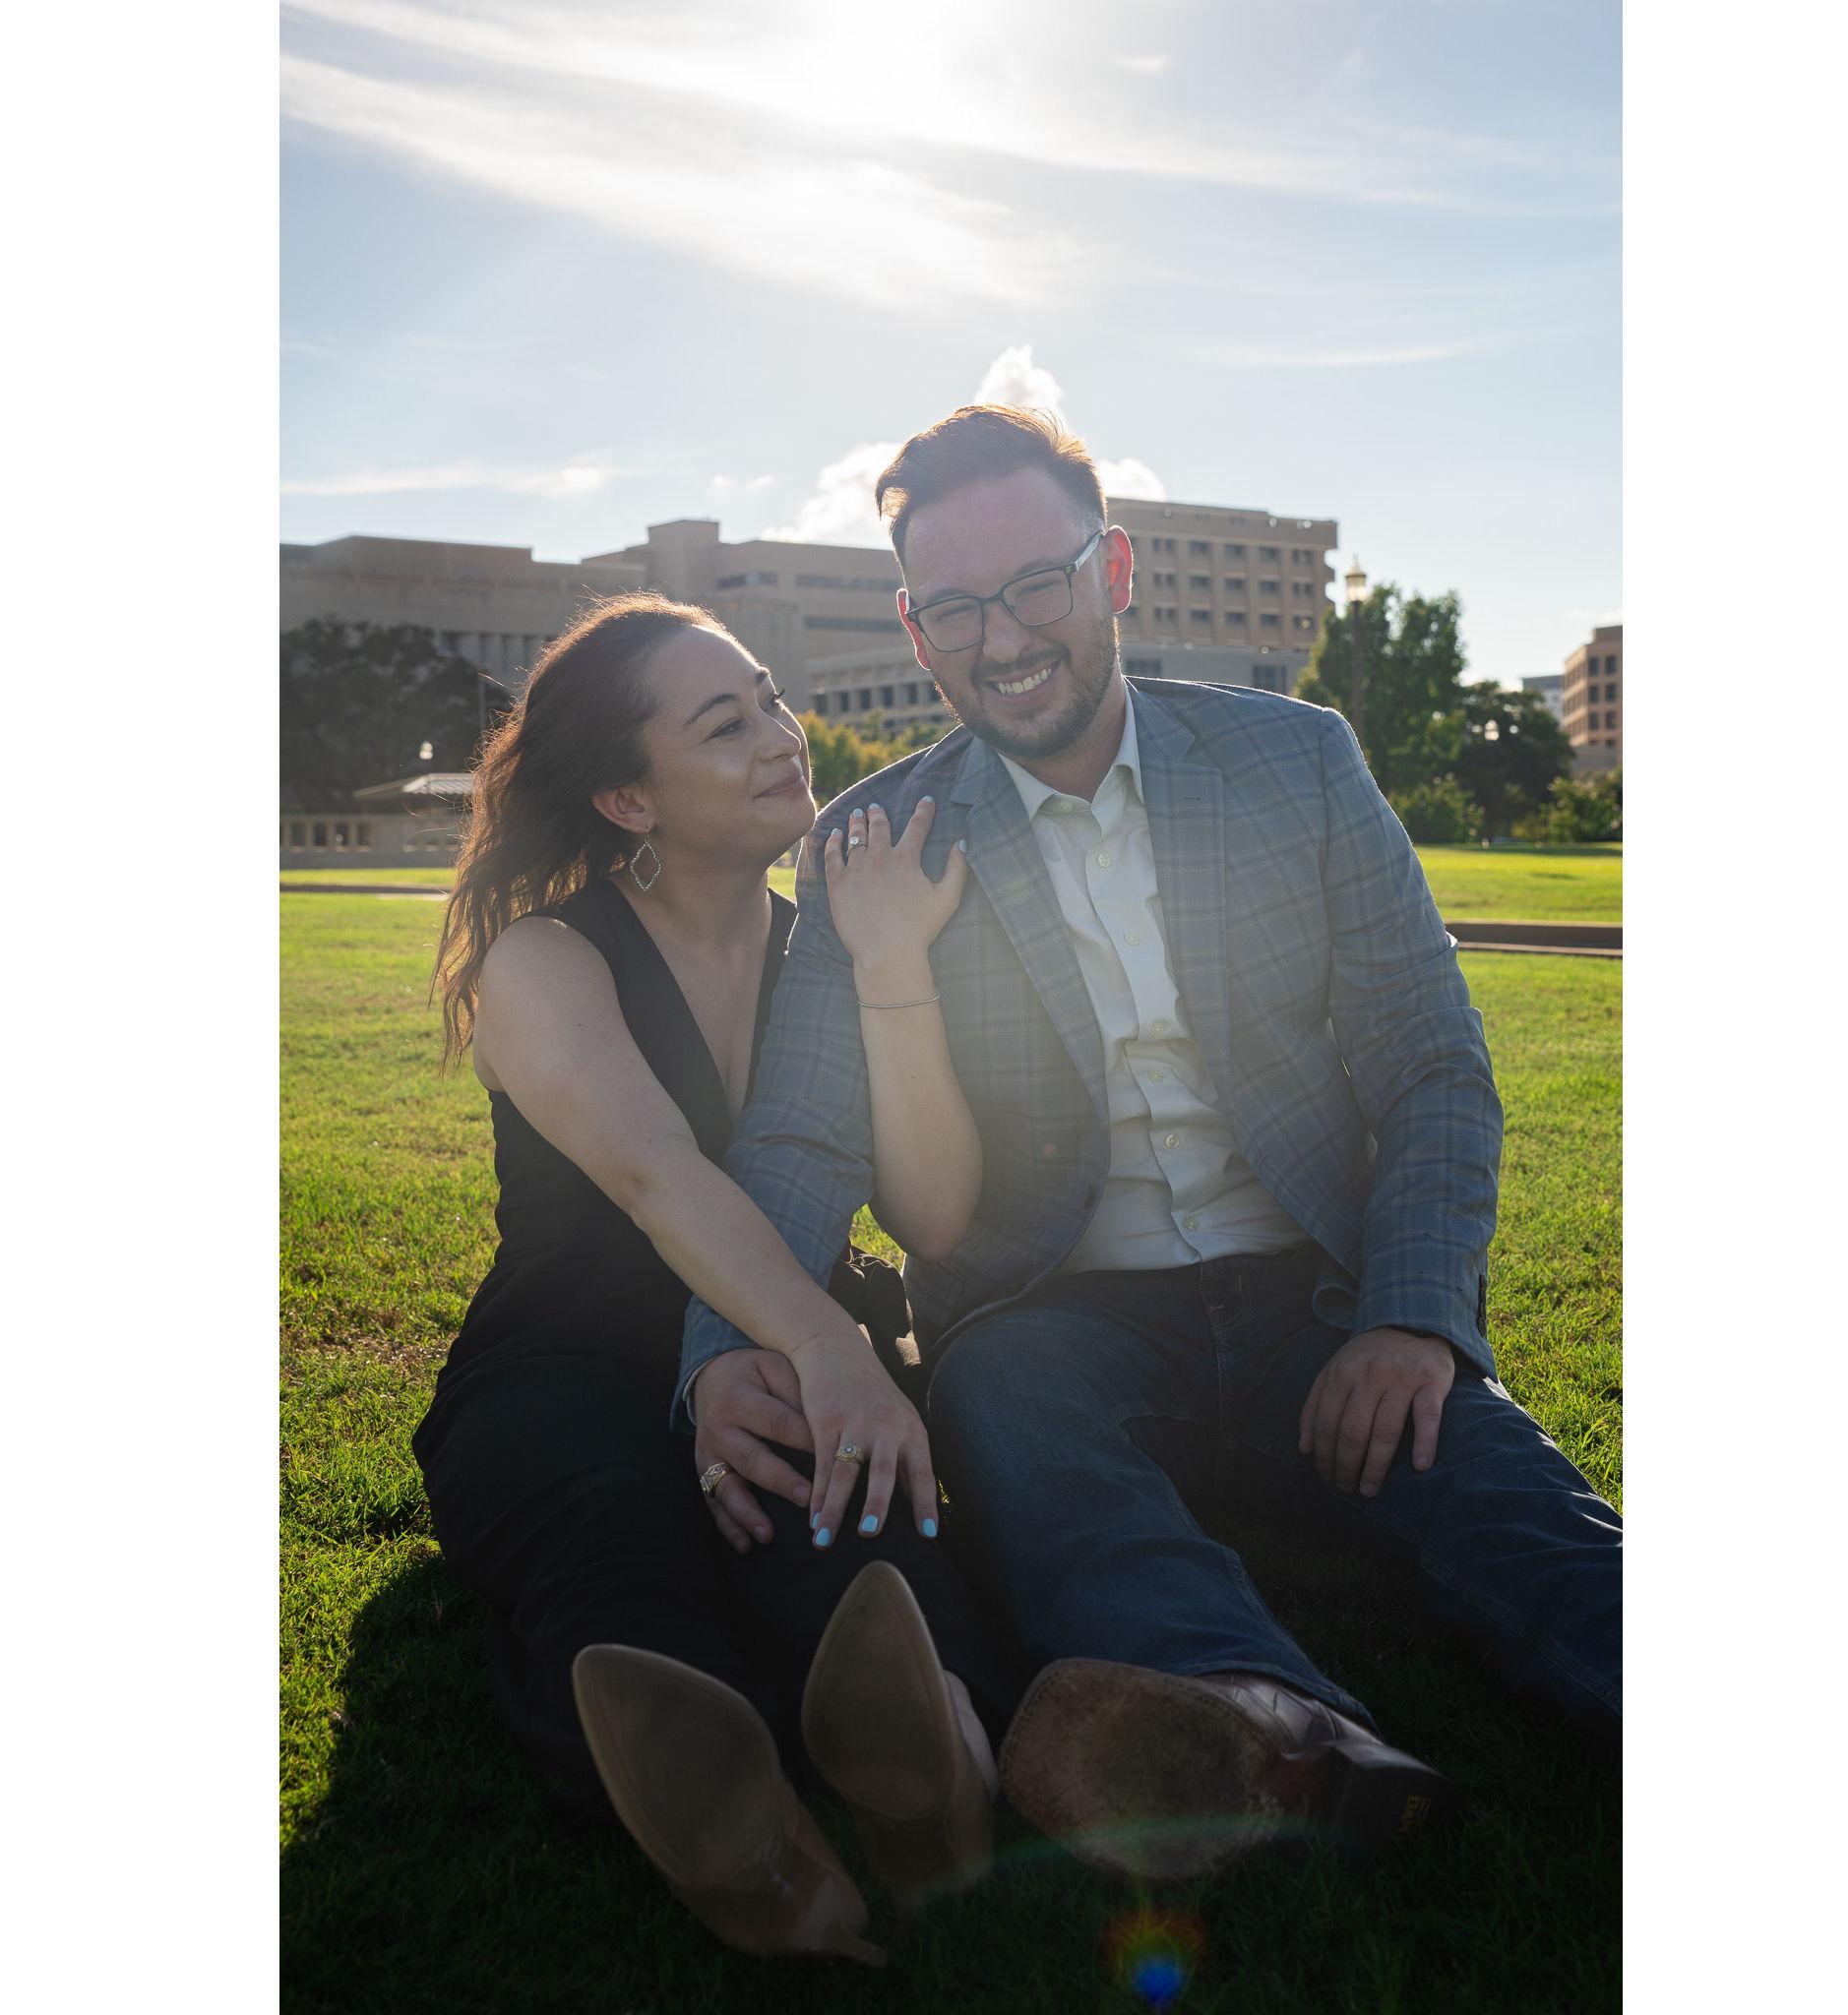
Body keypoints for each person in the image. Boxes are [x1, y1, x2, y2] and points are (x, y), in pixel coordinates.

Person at [679, 405, 1623, 1882]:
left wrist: (1412, 1315)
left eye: (1037, 585)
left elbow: (1433, 1064)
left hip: (1318, 1296)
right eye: (954, 609)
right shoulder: (875, 835)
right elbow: (802, 1134)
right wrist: (718, 1350)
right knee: (1021, 1429)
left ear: (1114, 570)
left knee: (1525, 1514)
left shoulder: (1295, 762)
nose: (1003, 639)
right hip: (1057, 1321)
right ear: (919, 634)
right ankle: (1278, 1728)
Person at [411, 592, 1017, 1962]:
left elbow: (930, 1209)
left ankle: (946, 1762)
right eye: (724, 721)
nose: (781, 737)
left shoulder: (826, 945)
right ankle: (753, 1847)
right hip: (567, 1364)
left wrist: (893, 968)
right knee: (617, 1550)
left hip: (792, 1337)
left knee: (857, 1554)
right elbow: (657, 1179)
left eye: (770, 699)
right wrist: (829, 1349)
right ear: (628, 798)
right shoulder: (545, 957)